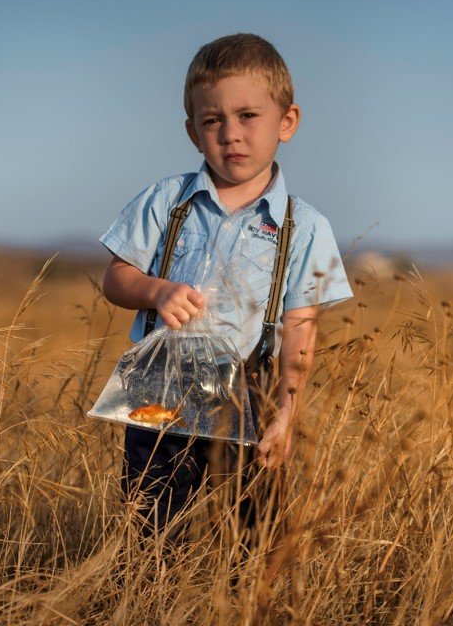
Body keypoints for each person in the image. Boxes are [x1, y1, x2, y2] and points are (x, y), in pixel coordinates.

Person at [99, 33, 353, 544]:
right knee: (149, 530)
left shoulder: (304, 225)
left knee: (253, 536)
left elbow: (301, 327)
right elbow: (115, 278)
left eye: (248, 116)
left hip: (250, 390)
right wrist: (156, 292)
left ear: (287, 121)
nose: (230, 134)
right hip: (161, 387)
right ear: (193, 132)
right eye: (213, 120)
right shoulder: (166, 201)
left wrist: (286, 412)